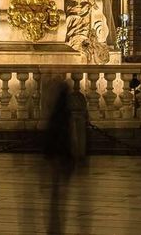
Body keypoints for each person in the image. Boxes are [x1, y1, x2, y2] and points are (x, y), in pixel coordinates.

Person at [40, 75, 87, 234]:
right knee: (61, 195)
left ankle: (55, 225)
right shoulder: (66, 112)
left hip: (58, 156)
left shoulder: (56, 113)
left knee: (56, 195)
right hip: (64, 156)